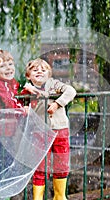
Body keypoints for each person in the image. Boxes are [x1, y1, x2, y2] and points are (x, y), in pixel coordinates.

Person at [21, 58, 76, 200]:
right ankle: (38, 198)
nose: (39, 71)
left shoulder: (54, 85)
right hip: (40, 131)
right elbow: (20, 104)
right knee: (40, 165)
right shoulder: (27, 90)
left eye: (43, 70)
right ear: (28, 76)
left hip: (60, 129)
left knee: (61, 163)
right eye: (35, 70)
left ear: (49, 74)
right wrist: (25, 106)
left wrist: (58, 103)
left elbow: (71, 91)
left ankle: (59, 196)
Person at [0, 49, 30, 181]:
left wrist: (27, 91)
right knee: (6, 165)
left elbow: (14, 97)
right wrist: (22, 109)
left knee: (3, 164)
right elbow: (9, 101)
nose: (8, 68)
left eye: (10, 64)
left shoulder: (9, 83)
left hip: (3, 132)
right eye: (2, 66)